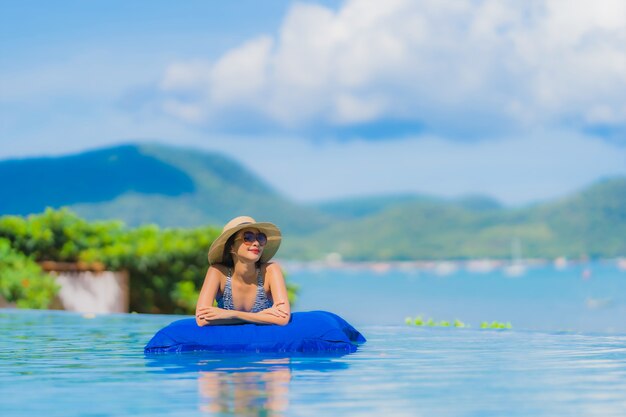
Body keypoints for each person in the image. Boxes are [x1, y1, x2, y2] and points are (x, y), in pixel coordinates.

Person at [195, 216, 291, 326]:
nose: (256, 243)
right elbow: (201, 319)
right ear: (231, 247)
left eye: (260, 238)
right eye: (248, 237)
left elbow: (283, 318)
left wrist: (232, 314)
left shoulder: (271, 270)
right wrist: (262, 317)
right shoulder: (217, 272)